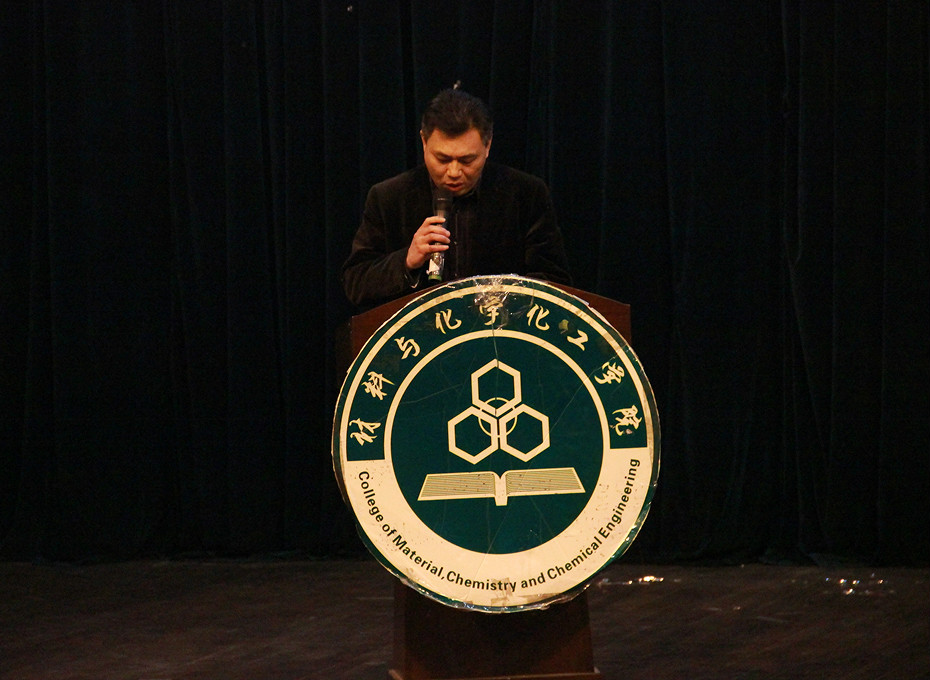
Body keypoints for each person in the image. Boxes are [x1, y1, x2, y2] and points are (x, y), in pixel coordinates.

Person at [341, 86, 571, 308]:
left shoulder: (526, 194)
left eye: (467, 160)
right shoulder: (388, 198)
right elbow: (356, 283)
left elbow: (554, 281)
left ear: (488, 145)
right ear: (424, 142)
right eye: (442, 159)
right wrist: (407, 261)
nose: (453, 172)